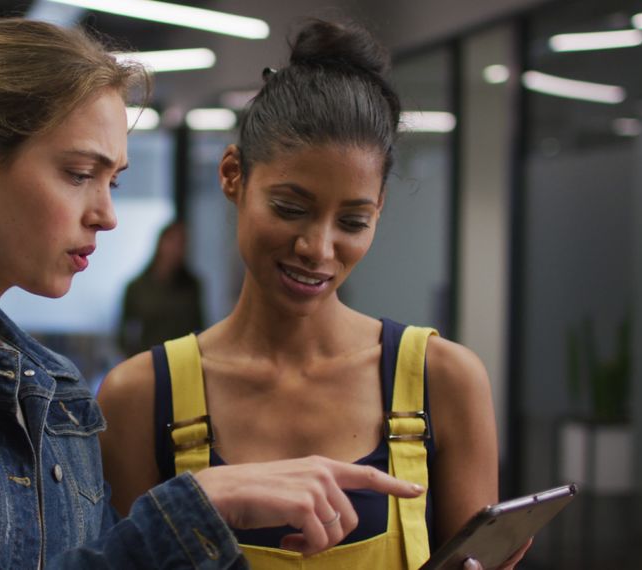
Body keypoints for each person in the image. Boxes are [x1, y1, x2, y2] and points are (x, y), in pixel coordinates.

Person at [0, 17, 425, 569]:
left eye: (114, 181)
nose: (106, 214)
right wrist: (197, 506)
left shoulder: (52, 386)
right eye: (78, 174)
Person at [97, 19, 530, 569]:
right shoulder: (139, 398)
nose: (318, 248)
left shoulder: (443, 381)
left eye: (353, 220)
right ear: (233, 175)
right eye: (290, 207)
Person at [117, 220, 205, 357]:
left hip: (183, 360)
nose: (177, 250)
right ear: (161, 243)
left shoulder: (192, 285)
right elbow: (124, 333)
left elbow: (199, 328)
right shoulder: (137, 287)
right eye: (173, 242)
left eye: (182, 244)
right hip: (148, 361)